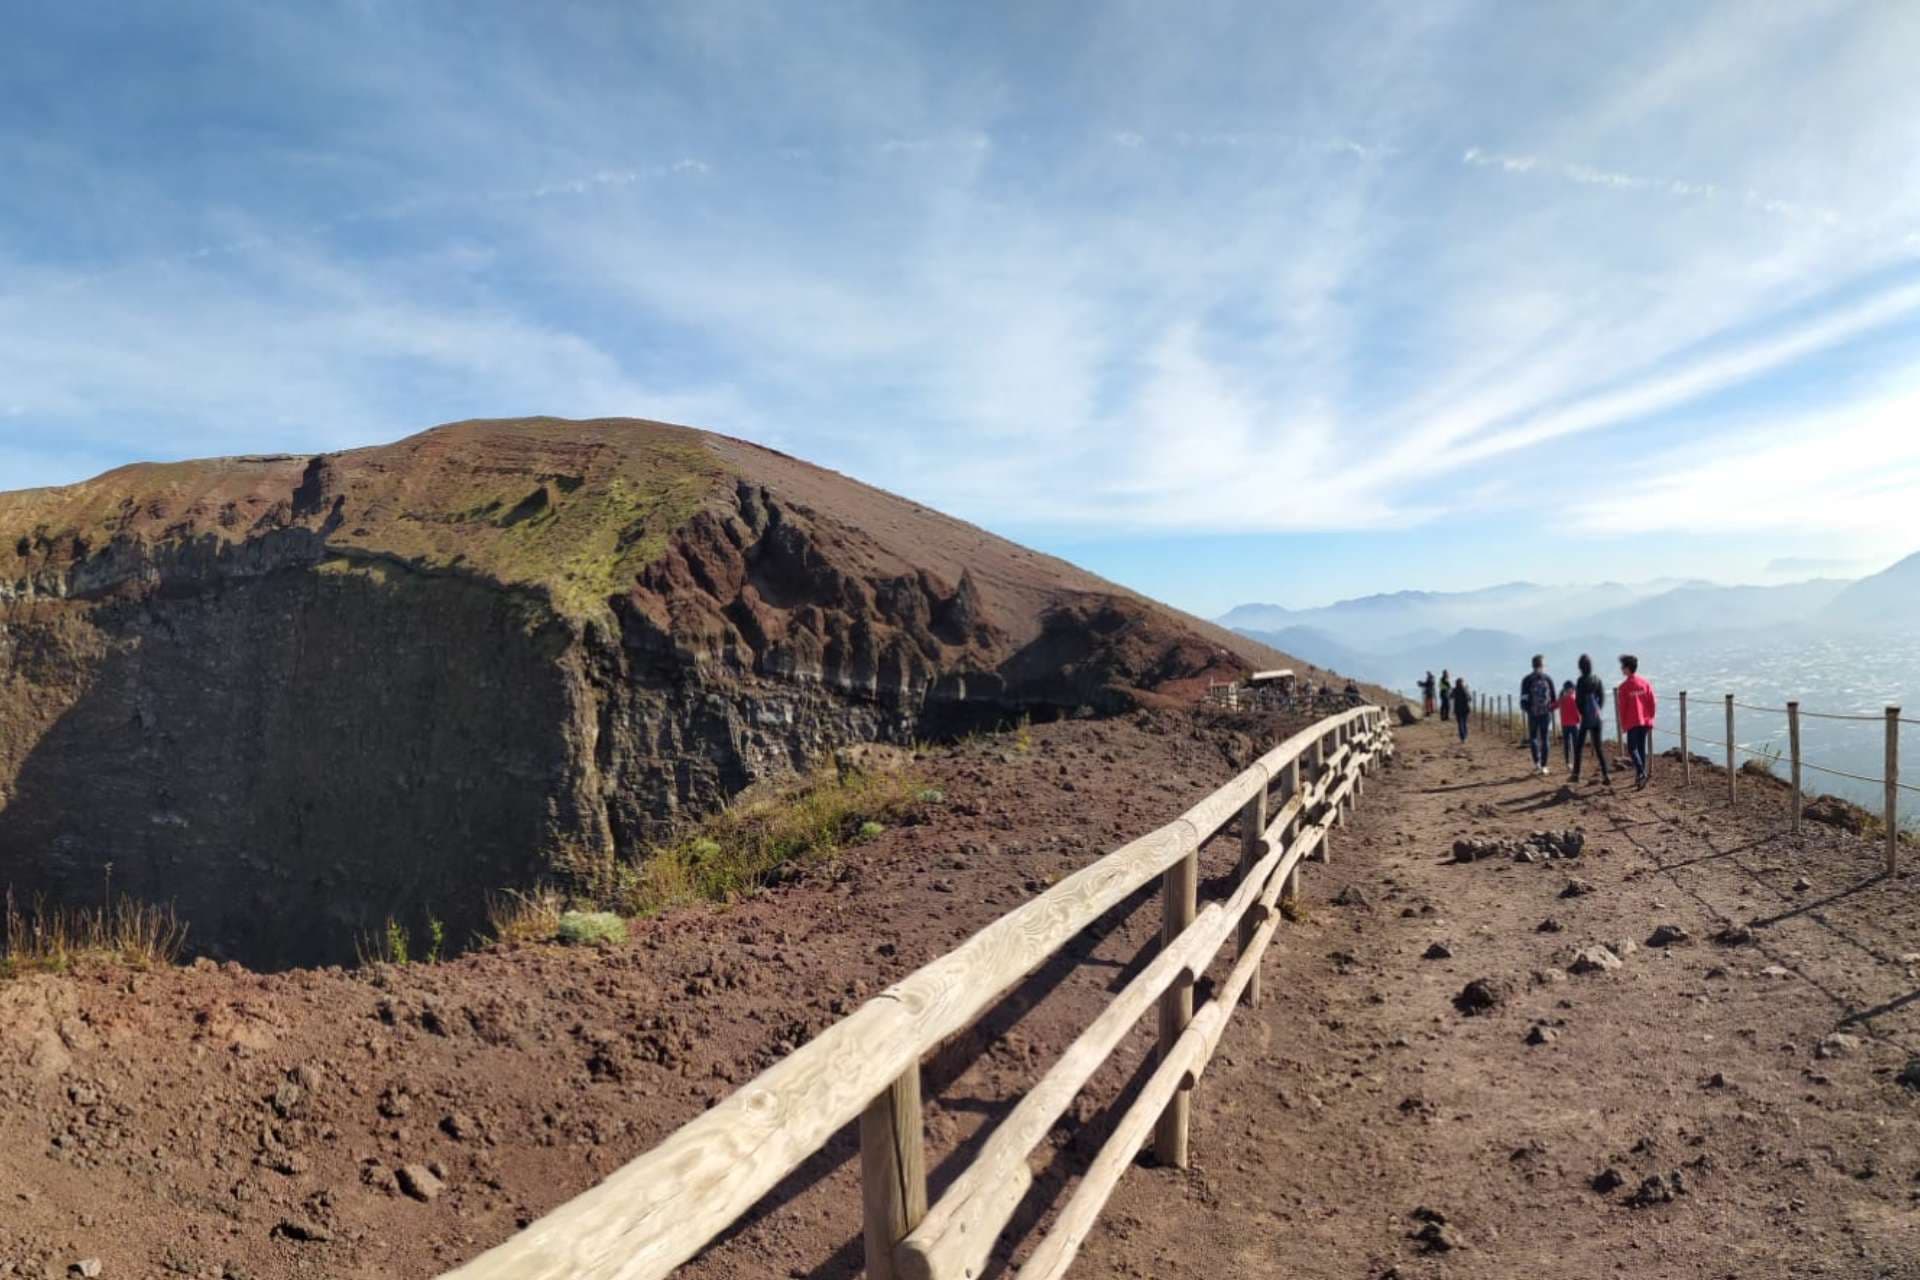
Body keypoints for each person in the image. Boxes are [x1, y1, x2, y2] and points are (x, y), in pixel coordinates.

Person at [1618, 654, 1657, 789]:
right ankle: (1639, 777)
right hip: (1645, 722)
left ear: (1628, 669)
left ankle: (1641, 772)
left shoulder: (1623, 687)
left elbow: (1622, 708)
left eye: (1623, 666)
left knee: (1631, 748)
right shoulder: (1645, 683)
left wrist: (1623, 724)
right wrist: (1651, 718)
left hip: (1632, 722)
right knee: (1641, 748)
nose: (1621, 669)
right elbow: (1652, 702)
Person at [1571, 655, 1611, 785]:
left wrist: (1583, 713)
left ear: (1580, 667)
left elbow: (1578, 701)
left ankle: (1576, 774)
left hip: (1586, 719)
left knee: (1579, 747)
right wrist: (1596, 711)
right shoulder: (1597, 679)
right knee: (1598, 747)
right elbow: (1602, 698)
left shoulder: (1581, 681)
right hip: (1596, 717)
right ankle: (1606, 775)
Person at [1520, 654, 1557, 777]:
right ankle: (1545, 766)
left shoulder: (1527, 680)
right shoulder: (1548, 679)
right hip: (1546, 713)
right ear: (1543, 665)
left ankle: (1537, 763)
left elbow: (1523, 700)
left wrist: (1528, 710)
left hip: (1533, 714)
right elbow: (1554, 698)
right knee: (1545, 738)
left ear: (1532, 665)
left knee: (1534, 738)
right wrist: (1550, 709)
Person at [1557, 680, 1580, 771]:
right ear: (1570, 689)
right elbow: (1576, 712)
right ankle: (1576, 762)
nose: (1574, 690)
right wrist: (1579, 720)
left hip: (1564, 724)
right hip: (1573, 724)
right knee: (1575, 744)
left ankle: (1568, 763)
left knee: (1566, 744)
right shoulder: (1572, 698)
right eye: (1573, 688)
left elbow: (1555, 705)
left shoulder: (1561, 698)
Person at [1450, 675, 1472, 742]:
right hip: (1465, 709)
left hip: (1458, 709)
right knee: (1464, 723)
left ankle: (1463, 737)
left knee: (1460, 724)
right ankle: (1465, 736)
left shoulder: (1455, 690)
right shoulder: (1464, 690)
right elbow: (1470, 699)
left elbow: (1450, 697)